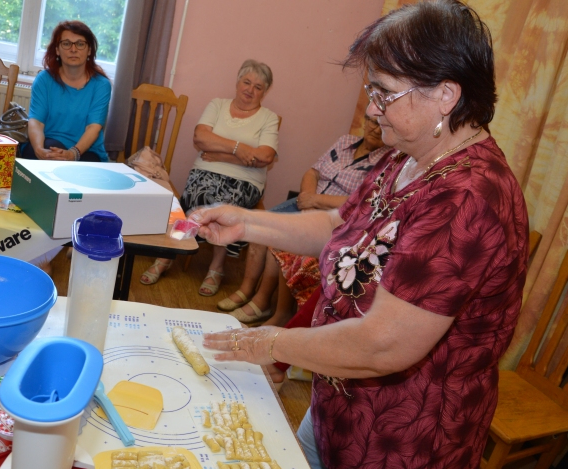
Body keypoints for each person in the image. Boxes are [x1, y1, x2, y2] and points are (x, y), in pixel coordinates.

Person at [195, 1, 529, 468]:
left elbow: (382, 343)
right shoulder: (407, 154)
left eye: (384, 93)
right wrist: (249, 222)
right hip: (337, 398)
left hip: (402, 437)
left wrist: (270, 343)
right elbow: (340, 225)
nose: (372, 109)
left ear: (445, 95)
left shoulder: (468, 198)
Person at [218, 116, 391, 325]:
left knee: (278, 240)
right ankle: (246, 289)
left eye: (381, 125)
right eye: (372, 122)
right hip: (307, 202)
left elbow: (360, 201)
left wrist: (316, 201)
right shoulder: (345, 141)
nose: (375, 129)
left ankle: (262, 303)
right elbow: (313, 172)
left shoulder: (386, 162)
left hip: (334, 214)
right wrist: (308, 199)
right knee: (259, 227)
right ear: (365, 121)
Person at [140, 59, 279, 296]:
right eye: (246, 82)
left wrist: (223, 154)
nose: (250, 90)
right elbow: (200, 138)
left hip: (245, 181)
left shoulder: (269, 117)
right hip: (206, 172)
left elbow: (266, 156)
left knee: (226, 203)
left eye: (258, 87)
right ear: (237, 82)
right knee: (196, 193)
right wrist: (239, 149)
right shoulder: (218, 105)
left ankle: (216, 267)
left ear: (264, 92)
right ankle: (169, 254)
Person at [21, 20, 111, 163]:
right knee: (50, 152)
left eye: (80, 44)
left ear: (89, 50)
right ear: (57, 49)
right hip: (48, 146)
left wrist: (72, 154)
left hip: (85, 151)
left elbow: (93, 127)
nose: (73, 49)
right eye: (66, 43)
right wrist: (39, 150)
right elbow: (36, 122)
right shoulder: (44, 80)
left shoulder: (101, 85)